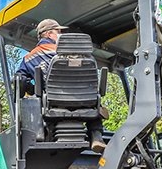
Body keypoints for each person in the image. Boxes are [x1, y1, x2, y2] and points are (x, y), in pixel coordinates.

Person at [16, 18, 106, 153]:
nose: (61, 35)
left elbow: (19, 79)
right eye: (58, 32)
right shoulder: (75, 53)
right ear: (48, 34)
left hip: (53, 103)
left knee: (38, 102)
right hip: (85, 100)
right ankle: (96, 136)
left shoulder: (29, 57)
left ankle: (49, 138)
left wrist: (32, 87)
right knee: (94, 98)